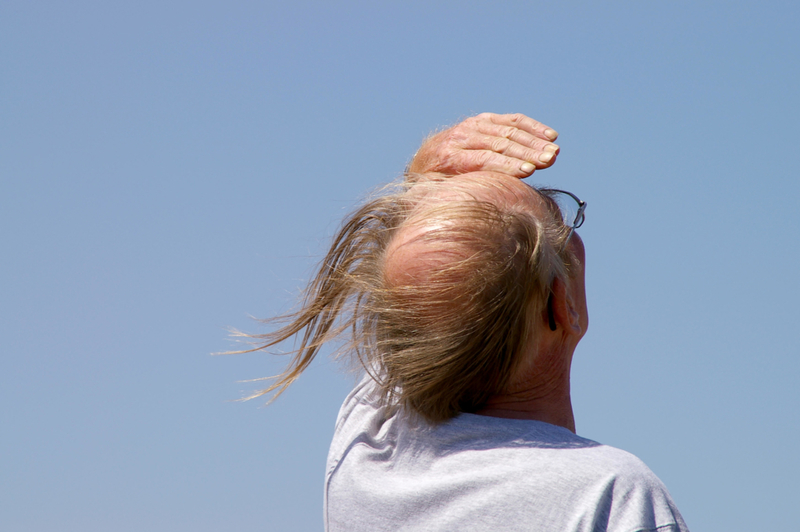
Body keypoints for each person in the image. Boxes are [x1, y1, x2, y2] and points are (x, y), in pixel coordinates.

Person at [246, 113, 689, 531]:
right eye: (559, 215)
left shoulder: (368, 451)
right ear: (560, 305)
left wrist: (419, 183)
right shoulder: (612, 497)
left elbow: (414, 311)